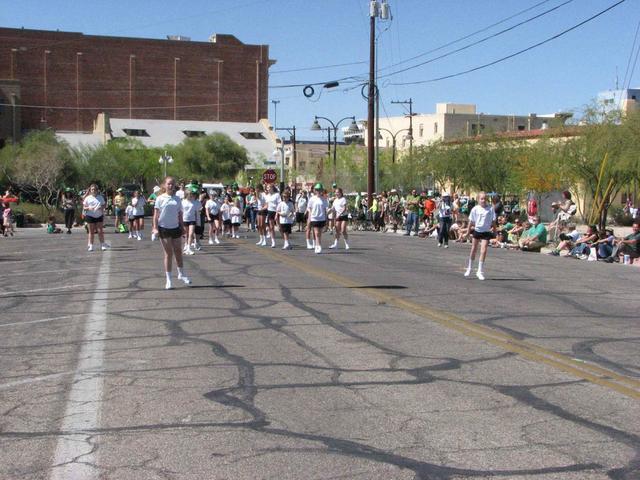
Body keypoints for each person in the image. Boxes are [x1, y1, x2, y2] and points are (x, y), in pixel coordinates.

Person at [152, 176, 192, 289]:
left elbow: (180, 214)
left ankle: (181, 274)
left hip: (175, 228)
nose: (170, 186)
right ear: (164, 185)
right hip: (164, 228)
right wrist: (155, 228)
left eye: (172, 184)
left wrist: (182, 227)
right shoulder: (160, 198)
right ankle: (168, 280)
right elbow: (156, 215)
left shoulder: (177, 199)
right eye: (168, 184)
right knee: (168, 254)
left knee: (178, 251)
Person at [464, 192, 496, 280]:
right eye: (481, 199)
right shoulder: (475, 209)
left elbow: (493, 221)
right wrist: (467, 232)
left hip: (486, 231)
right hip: (477, 231)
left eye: (485, 199)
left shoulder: (490, 209)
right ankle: (469, 268)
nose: (483, 200)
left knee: (484, 250)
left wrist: (495, 230)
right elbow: (471, 221)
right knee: (474, 249)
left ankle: (480, 271)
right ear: (478, 200)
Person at [82, 184, 108, 251]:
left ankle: (102, 245)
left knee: (100, 231)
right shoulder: (87, 198)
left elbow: (104, 205)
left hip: (99, 216)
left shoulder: (100, 197)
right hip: (90, 216)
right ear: (90, 190)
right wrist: (89, 208)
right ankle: (91, 245)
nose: (94, 191)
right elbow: (84, 207)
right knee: (91, 232)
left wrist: (101, 207)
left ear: (97, 190)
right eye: (92, 189)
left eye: (95, 189)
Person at [307, 183, 329, 254]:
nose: (318, 191)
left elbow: (325, 210)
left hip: (322, 218)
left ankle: (317, 245)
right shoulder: (312, 199)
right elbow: (309, 208)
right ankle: (318, 245)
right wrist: (310, 217)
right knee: (316, 232)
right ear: (315, 191)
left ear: (322, 190)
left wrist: (326, 219)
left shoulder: (324, 199)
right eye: (317, 190)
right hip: (314, 218)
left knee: (319, 233)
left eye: (320, 190)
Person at [181, 186, 201, 255]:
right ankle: (186, 245)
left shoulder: (194, 202)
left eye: (191, 195)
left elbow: (196, 212)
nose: (191, 196)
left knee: (191, 233)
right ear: (186, 195)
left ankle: (189, 248)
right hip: (185, 219)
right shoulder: (183, 202)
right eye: (189, 195)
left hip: (192, 220)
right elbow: (181, 212)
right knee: (186, 234)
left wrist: (197, 221)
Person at [265, 183, 281, 248]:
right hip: (270, 211)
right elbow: (267, 204)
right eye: (267, 188)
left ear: (272, 188)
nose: (267, 189)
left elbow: (279, 204)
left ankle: (286, 241)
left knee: (280, 227)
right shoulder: (267, 195)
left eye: (269, 188)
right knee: (271, 227)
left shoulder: (277, 195)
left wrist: (277, 213)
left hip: (276, 211)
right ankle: (273, 242)